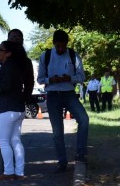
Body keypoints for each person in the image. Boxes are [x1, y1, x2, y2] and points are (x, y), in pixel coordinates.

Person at [37, 29, 89, 172]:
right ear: (53, 43)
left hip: (69, 93)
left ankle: (81, 154)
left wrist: (69, 78)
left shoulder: (73, 55)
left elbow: (82, 76)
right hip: (53, 95)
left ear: (67, 44)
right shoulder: (45, 56)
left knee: (84, 119)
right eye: (58, 46)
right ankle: (62, 161)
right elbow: (40, 79)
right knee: (57, 131)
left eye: (63, 46)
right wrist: (50, 80)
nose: (61, 49)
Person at [0, 40, 30, 179]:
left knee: (3, 141)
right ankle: (19, 172)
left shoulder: (8, 67)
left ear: (8, 53)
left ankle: (8, 171)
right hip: (18, 108)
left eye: (0, 50)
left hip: (7, 108)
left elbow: (5, 86)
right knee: (15, 140)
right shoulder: (13, 66)